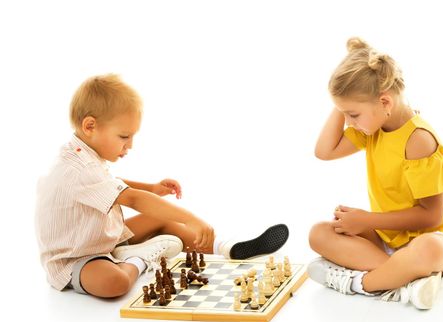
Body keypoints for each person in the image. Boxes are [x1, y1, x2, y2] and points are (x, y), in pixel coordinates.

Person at [35, 74, 288, 298]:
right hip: (76, 258)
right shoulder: (79, 169)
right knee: (115, 283)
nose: (130, 145)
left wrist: (152, 188)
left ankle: (227, 248)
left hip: (98, 238)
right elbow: (132, 199)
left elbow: (112, 185)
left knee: (162, 222)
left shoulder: (81, 154)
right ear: (90, 126)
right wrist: (193, 220)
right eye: (124, 136)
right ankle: (139, 258)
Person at [307, 38, 443, 309]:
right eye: (345, 114)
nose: (347, 122)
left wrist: (367, 220)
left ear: (384, 101)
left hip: (436, 239)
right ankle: (406, 279)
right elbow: (324, 151)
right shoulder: (373, 127)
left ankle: (360, 283)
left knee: (427, 249)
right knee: (319, 233)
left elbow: (432, 216)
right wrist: (345, 99)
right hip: (389, 241)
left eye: (352, 114)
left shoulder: (418, 139)